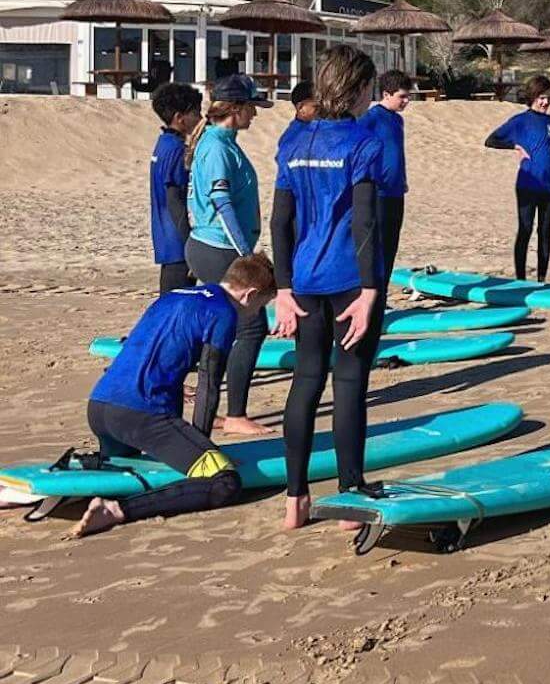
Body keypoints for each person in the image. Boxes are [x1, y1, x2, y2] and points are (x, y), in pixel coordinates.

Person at [73, 253, 277, 540]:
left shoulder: (176, 295)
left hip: (100, 407)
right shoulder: (224, 313)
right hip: (140, 416)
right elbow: (208, 385)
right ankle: (116, 510)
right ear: (250, 294)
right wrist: (204, 447)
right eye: (262, 305)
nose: (257, 313)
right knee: (224, 483)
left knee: (125, 470)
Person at [272, 47, 384, 533]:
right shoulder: (363, 141)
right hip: (347, 283)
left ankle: (295, 499)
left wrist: (282, 288)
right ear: (358, 89)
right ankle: (350, 493)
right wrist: (370, 291)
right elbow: (365, 223)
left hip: (303, 280)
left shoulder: (292, 143)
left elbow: (279, 221)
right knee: (349, 385)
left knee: (306, 382)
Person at [183, 73, 268, 438]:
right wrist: (248, 253)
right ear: (235, 109)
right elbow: (221, 203)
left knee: (224, 329)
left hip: (212, 247)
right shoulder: (217, 146)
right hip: (219, 249)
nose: (256, 114)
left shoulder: (221, 140)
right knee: (251, 328)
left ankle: (215, 409)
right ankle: (235, 414)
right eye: (251, 107)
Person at [485, 76, 550, 281]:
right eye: (542, 97)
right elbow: (491, 140)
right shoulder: (520, 121)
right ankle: (521, 279)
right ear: (532, 97)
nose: (546, 102)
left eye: (548, 98)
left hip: (549, 186)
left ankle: (541, 279)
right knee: (525, 230)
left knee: (545, 232)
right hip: (526, 185)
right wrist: (514, 146)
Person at [363, 68, 412, 321]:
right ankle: (372, 302)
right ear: (386, 94)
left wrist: (401, 180)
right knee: (377, 251)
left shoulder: (397, 119)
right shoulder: (371, 117)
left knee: (391, 248)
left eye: (408, 97)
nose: (406, 101)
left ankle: (382, 301)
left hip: (395, 193)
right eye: (402, 96)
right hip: (377, 195)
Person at [149, 82, 202, 291]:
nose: (199, 118)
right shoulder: (176, 150)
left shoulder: (162, 143)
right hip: (177, 245)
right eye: (195, 113)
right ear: (180, 118)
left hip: (165, 240)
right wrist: (189, 245)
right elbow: (175, 200)